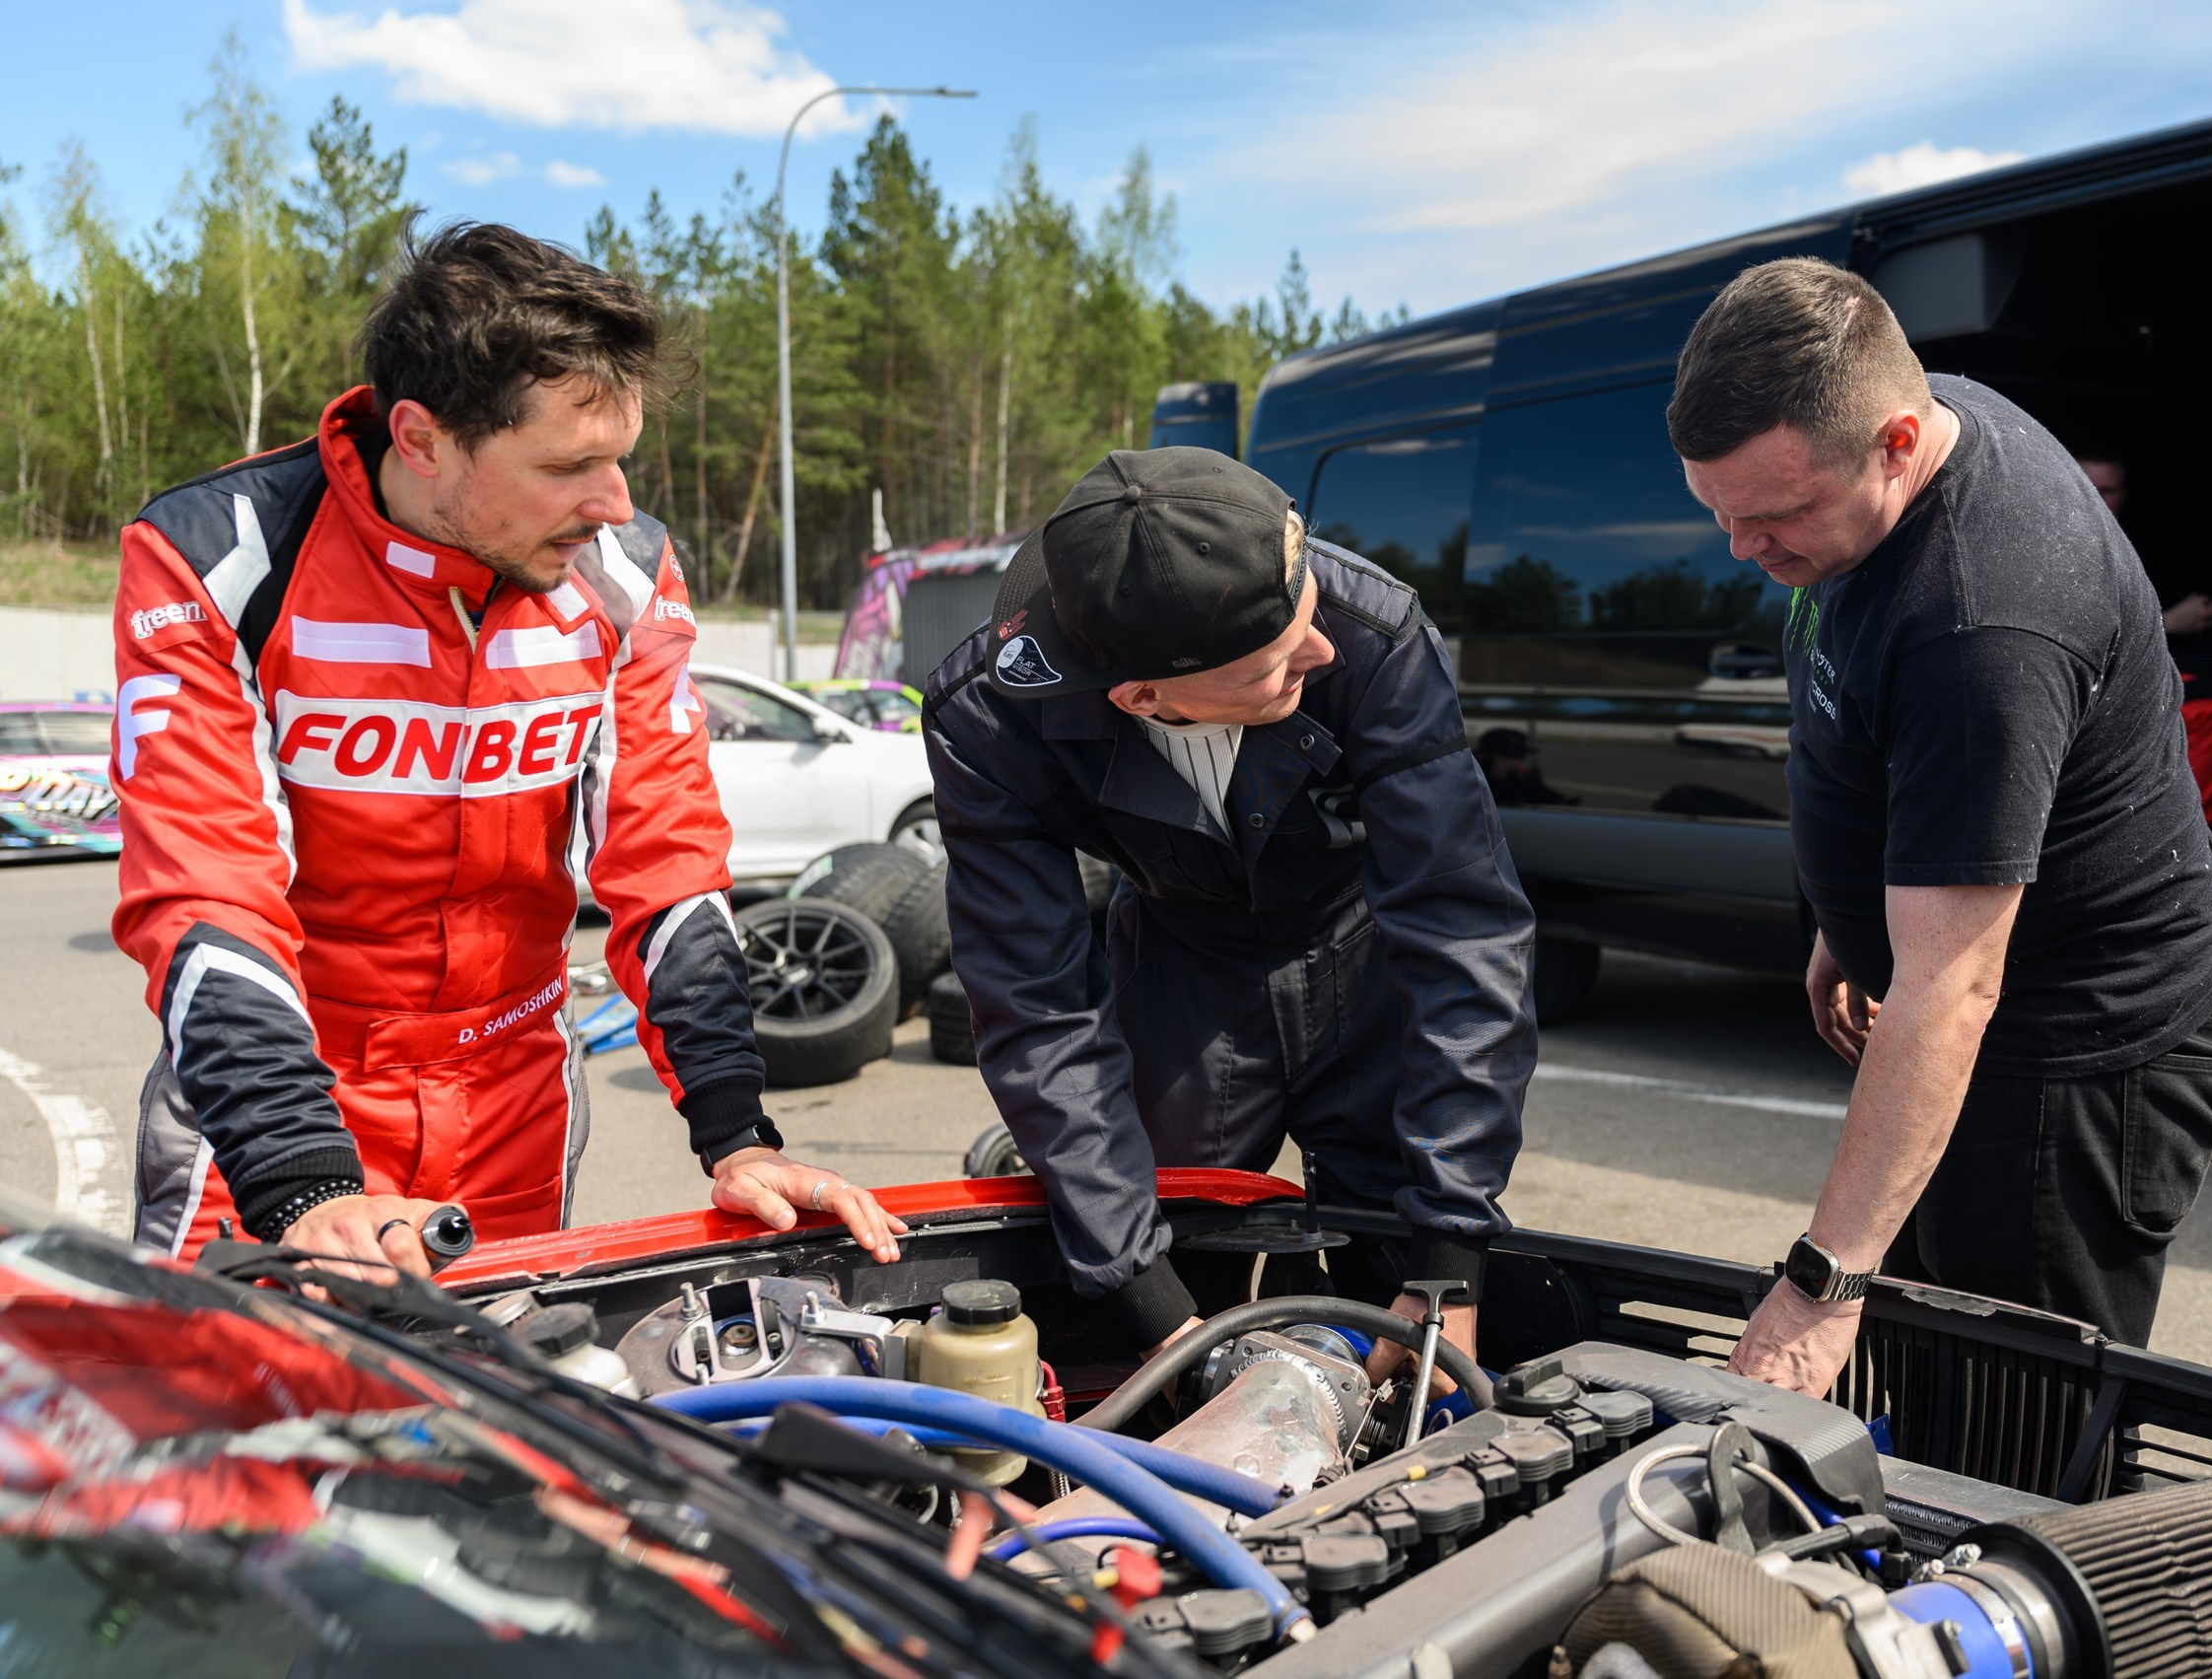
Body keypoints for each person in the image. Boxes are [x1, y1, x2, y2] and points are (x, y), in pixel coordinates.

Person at [111, 222, 903, 1278]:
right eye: (571, 465)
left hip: (514, 1097)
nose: (614, 504)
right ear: (424, 437)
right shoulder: (213, 558)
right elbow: (206, 892)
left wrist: (737, 1132)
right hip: (273, 1104)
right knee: (240, 1426)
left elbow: (665, 864)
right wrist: (302, 1174)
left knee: (490, 1419)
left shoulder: (625, 572)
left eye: (621, 460)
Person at [1665, 259, 2212, 1396]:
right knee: (1928, 1365)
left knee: (2005, 1433)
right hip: (1976, 1012)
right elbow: (1878, 732)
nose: (1743, 549)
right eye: (1717, 511)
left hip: (2071, 1057)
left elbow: (1955, 984)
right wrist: (1850, 916)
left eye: (1774, 516)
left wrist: (1819, 1287)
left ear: (1894, 440)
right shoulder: (1913, 437)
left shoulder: (1984, 621)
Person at [924, 448, 1536, 1383]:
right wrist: (1151, 1308)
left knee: (1402, 1274)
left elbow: (1465, 929)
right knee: (1153, 1278)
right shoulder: (988, 719)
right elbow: (1038, 1008)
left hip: (1365, 951)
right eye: (1279, 663)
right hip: (1180, 964)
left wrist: (1449, 1260)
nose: (1320, 651)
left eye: (1309, 621)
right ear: (1139, 696)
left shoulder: (1368, 631)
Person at [2076, 456, 2212, 898]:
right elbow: (2073, 642)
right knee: (2211, 708)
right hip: (2086, 687)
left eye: (2108, 491)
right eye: (2086, 484)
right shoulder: (2052, 542)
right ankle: (2193, 855)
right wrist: (2171, 621)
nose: (2096, 498)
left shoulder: (2141, 543)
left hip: (2154, 666)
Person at [1475, 727, 1577, 807]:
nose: (1517, 763)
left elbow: (1536, 793)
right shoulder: (1473, 781)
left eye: (1519, 757)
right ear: (1486, 756)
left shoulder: (1513, 777)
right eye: (1509, 757)